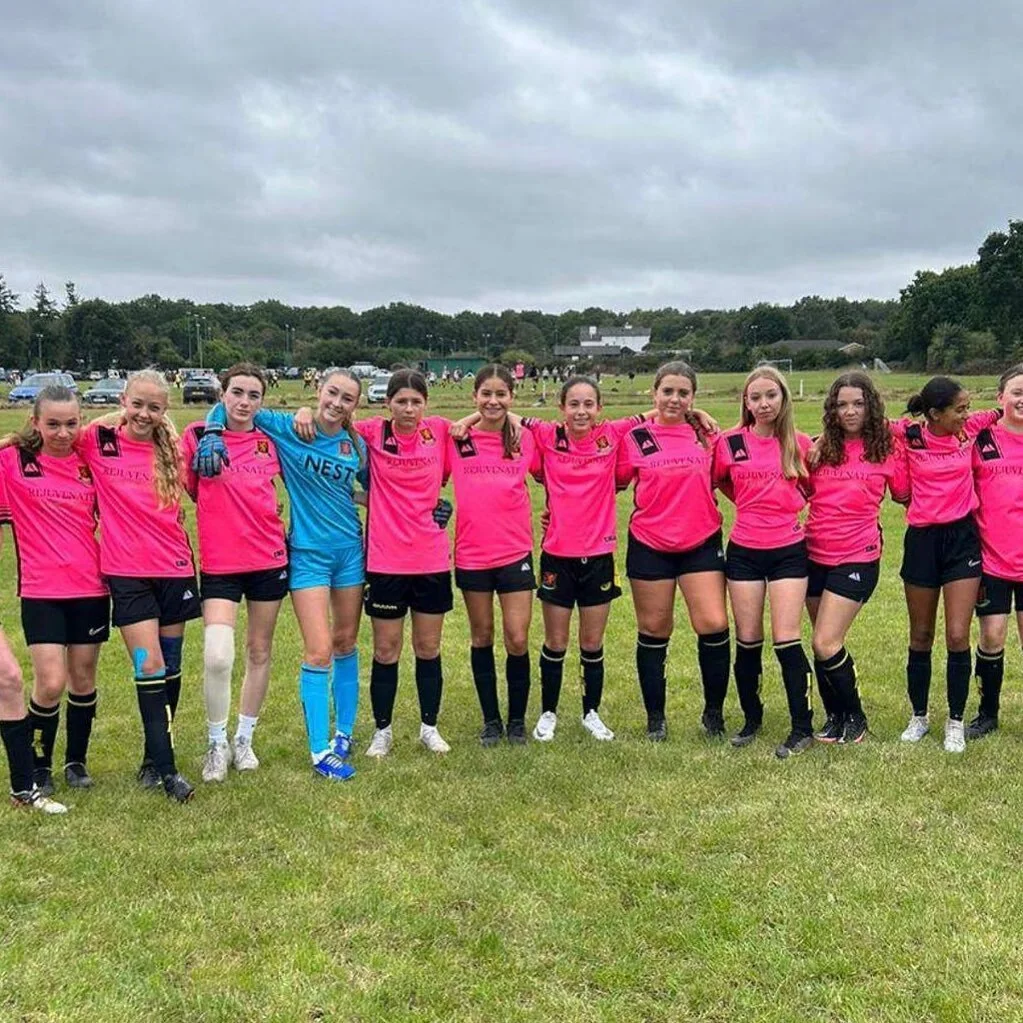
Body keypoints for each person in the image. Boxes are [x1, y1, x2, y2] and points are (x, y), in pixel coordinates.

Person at [193, 368, 367, 781]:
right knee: (319, 649)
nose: (337, 403)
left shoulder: (356, 443)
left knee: (345, 642)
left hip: (350, 554)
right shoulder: (288, 427)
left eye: (347, 398)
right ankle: (320, 750)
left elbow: (368, 489)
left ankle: (343, 734)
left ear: (355, 406)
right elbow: (236, 407)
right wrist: (214, 430)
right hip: (307, 555)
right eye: (331, 393)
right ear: (318, 391)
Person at [78, 369, 199, 801]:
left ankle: (153, 757)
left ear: (164, 410)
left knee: (170, 665)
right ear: (123, 401)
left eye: (154, 407)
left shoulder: (172, 449)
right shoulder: (98, 440)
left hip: (175, 570)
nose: (144, 414)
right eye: (137, 404)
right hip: (127, 573)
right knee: (148, 667)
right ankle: (169, 774)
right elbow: (53, 439)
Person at [513, 376, 647, 743]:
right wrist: (466, 422)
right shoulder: (545, 433)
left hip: (600, 554)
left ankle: (591, 712)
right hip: (558, 555)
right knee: (555, 642)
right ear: (562, 409)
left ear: (599, 409)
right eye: (574, 404)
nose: (581, 411)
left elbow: (661, 413)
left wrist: (697, 412)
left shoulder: (614, 433)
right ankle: (548, 712)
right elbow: (506, 414)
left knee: (592, 642)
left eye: (589, 404)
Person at [181, 364, 289, 782]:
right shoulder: (196, 436)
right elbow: (189, 487)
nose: (244, 402)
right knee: (218, 656)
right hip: (221, 564)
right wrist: (212, 430)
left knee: (259, 651)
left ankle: (244, 739)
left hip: (268, 559)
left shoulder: (270, 440)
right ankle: (216, 742)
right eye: (237, 393)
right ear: (222, 394)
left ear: (262, 401)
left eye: (253, 395)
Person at [0, 385, 108, 797]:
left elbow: (131, 423)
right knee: (50, 682)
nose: (62, 433)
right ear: (35, 423)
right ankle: (38, 764)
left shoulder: (90, 460)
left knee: (83, 677)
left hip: (90, 587)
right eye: (52, 424)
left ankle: (75, 761)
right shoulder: (12, 461)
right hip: (42, 590)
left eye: (71, 423)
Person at [615, 361, 730, 742]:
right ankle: (656, 719)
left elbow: (734, 475)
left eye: (684, 393)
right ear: (654, 393)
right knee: (654, 629)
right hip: (650, 543)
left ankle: (713, 713)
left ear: (693, 398)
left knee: (712, 623)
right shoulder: (635, 437)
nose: (675, 399)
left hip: (700, 542)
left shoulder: (706, 435)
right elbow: (607, 482)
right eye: (668, 391)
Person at [893, 376, 1000, 752]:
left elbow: (999, 413)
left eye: (967, 407)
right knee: (921, 635)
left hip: (962, 540)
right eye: (959, 409)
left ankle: (955, 721)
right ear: (934, 414)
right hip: (922, 541)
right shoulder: (910, 435)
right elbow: (870, 424)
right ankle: (919, 716)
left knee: (957, 635)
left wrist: (1006, 407)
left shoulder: (969, 430)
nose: (966, 414)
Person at [712, 366, 814, 759]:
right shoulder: (730, 442)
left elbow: (811, 487)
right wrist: (750, 507)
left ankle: (801, 726)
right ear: (746, 402)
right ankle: (751, 719)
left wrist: (786, 509)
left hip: (788, 550)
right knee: (748, 639)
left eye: (770, 395)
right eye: (755, 397)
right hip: (744, 552)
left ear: (783, 398)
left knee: (786, 638)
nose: (763, 403)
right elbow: (721, 480)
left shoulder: (800, 443)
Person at [352, 370, 454, 757]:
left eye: (416, 401)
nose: (409, 409)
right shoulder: (371, 432)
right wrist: (363, 498)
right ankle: (383, 731)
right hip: (385, 560)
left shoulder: (441, 431)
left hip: (430, 558)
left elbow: (490, 419)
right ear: (387, 403)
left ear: (426, 404)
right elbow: (329, 421)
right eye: (401, 401)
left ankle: (429, 727)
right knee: (386, 650)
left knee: (428, 647)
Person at [804, 372, 908, 745]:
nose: (850, 411)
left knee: (826, 642)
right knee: (820, 639)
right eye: (842, 404)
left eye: (858, 403)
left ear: (871, 407)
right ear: (832, 409)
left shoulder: (887, 451)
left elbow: (906, 494)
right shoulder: (817, 451)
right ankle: (835, 718)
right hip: (814, 553)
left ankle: (857, 718)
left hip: (858, 556)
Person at [448, 365, 541, 745]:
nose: (493, 401)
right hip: (471, 554)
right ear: (474, 396)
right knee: (481, 635)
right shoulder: (454, 439)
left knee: (517, 638)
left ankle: (517, 721)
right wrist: (468, 420)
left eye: (501, 394)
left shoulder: (526, 439)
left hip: (514, 551)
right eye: (485, 394)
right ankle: (491, 721)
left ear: (511, 398)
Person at [965, 364, 1023, 738]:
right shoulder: (982, 439)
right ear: (1000, 397)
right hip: (992, 558)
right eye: (1017, 392)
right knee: (992, 637)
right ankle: (987, 713)